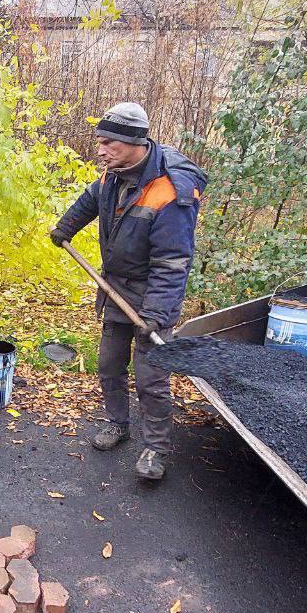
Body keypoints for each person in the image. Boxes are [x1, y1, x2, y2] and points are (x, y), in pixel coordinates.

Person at [50, 102, 207, 482]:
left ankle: (156, 447)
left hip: (154, 295)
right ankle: (117, 423)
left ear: (136, 142)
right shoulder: (113, 175)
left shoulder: (170, 191)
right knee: (109, 365)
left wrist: (155, 313)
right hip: (116, 287)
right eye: (100, 141)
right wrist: (66, 226)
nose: (100, 151)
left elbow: (172, 263)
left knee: (152, 377)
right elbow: (91, 199)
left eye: (109, 143)